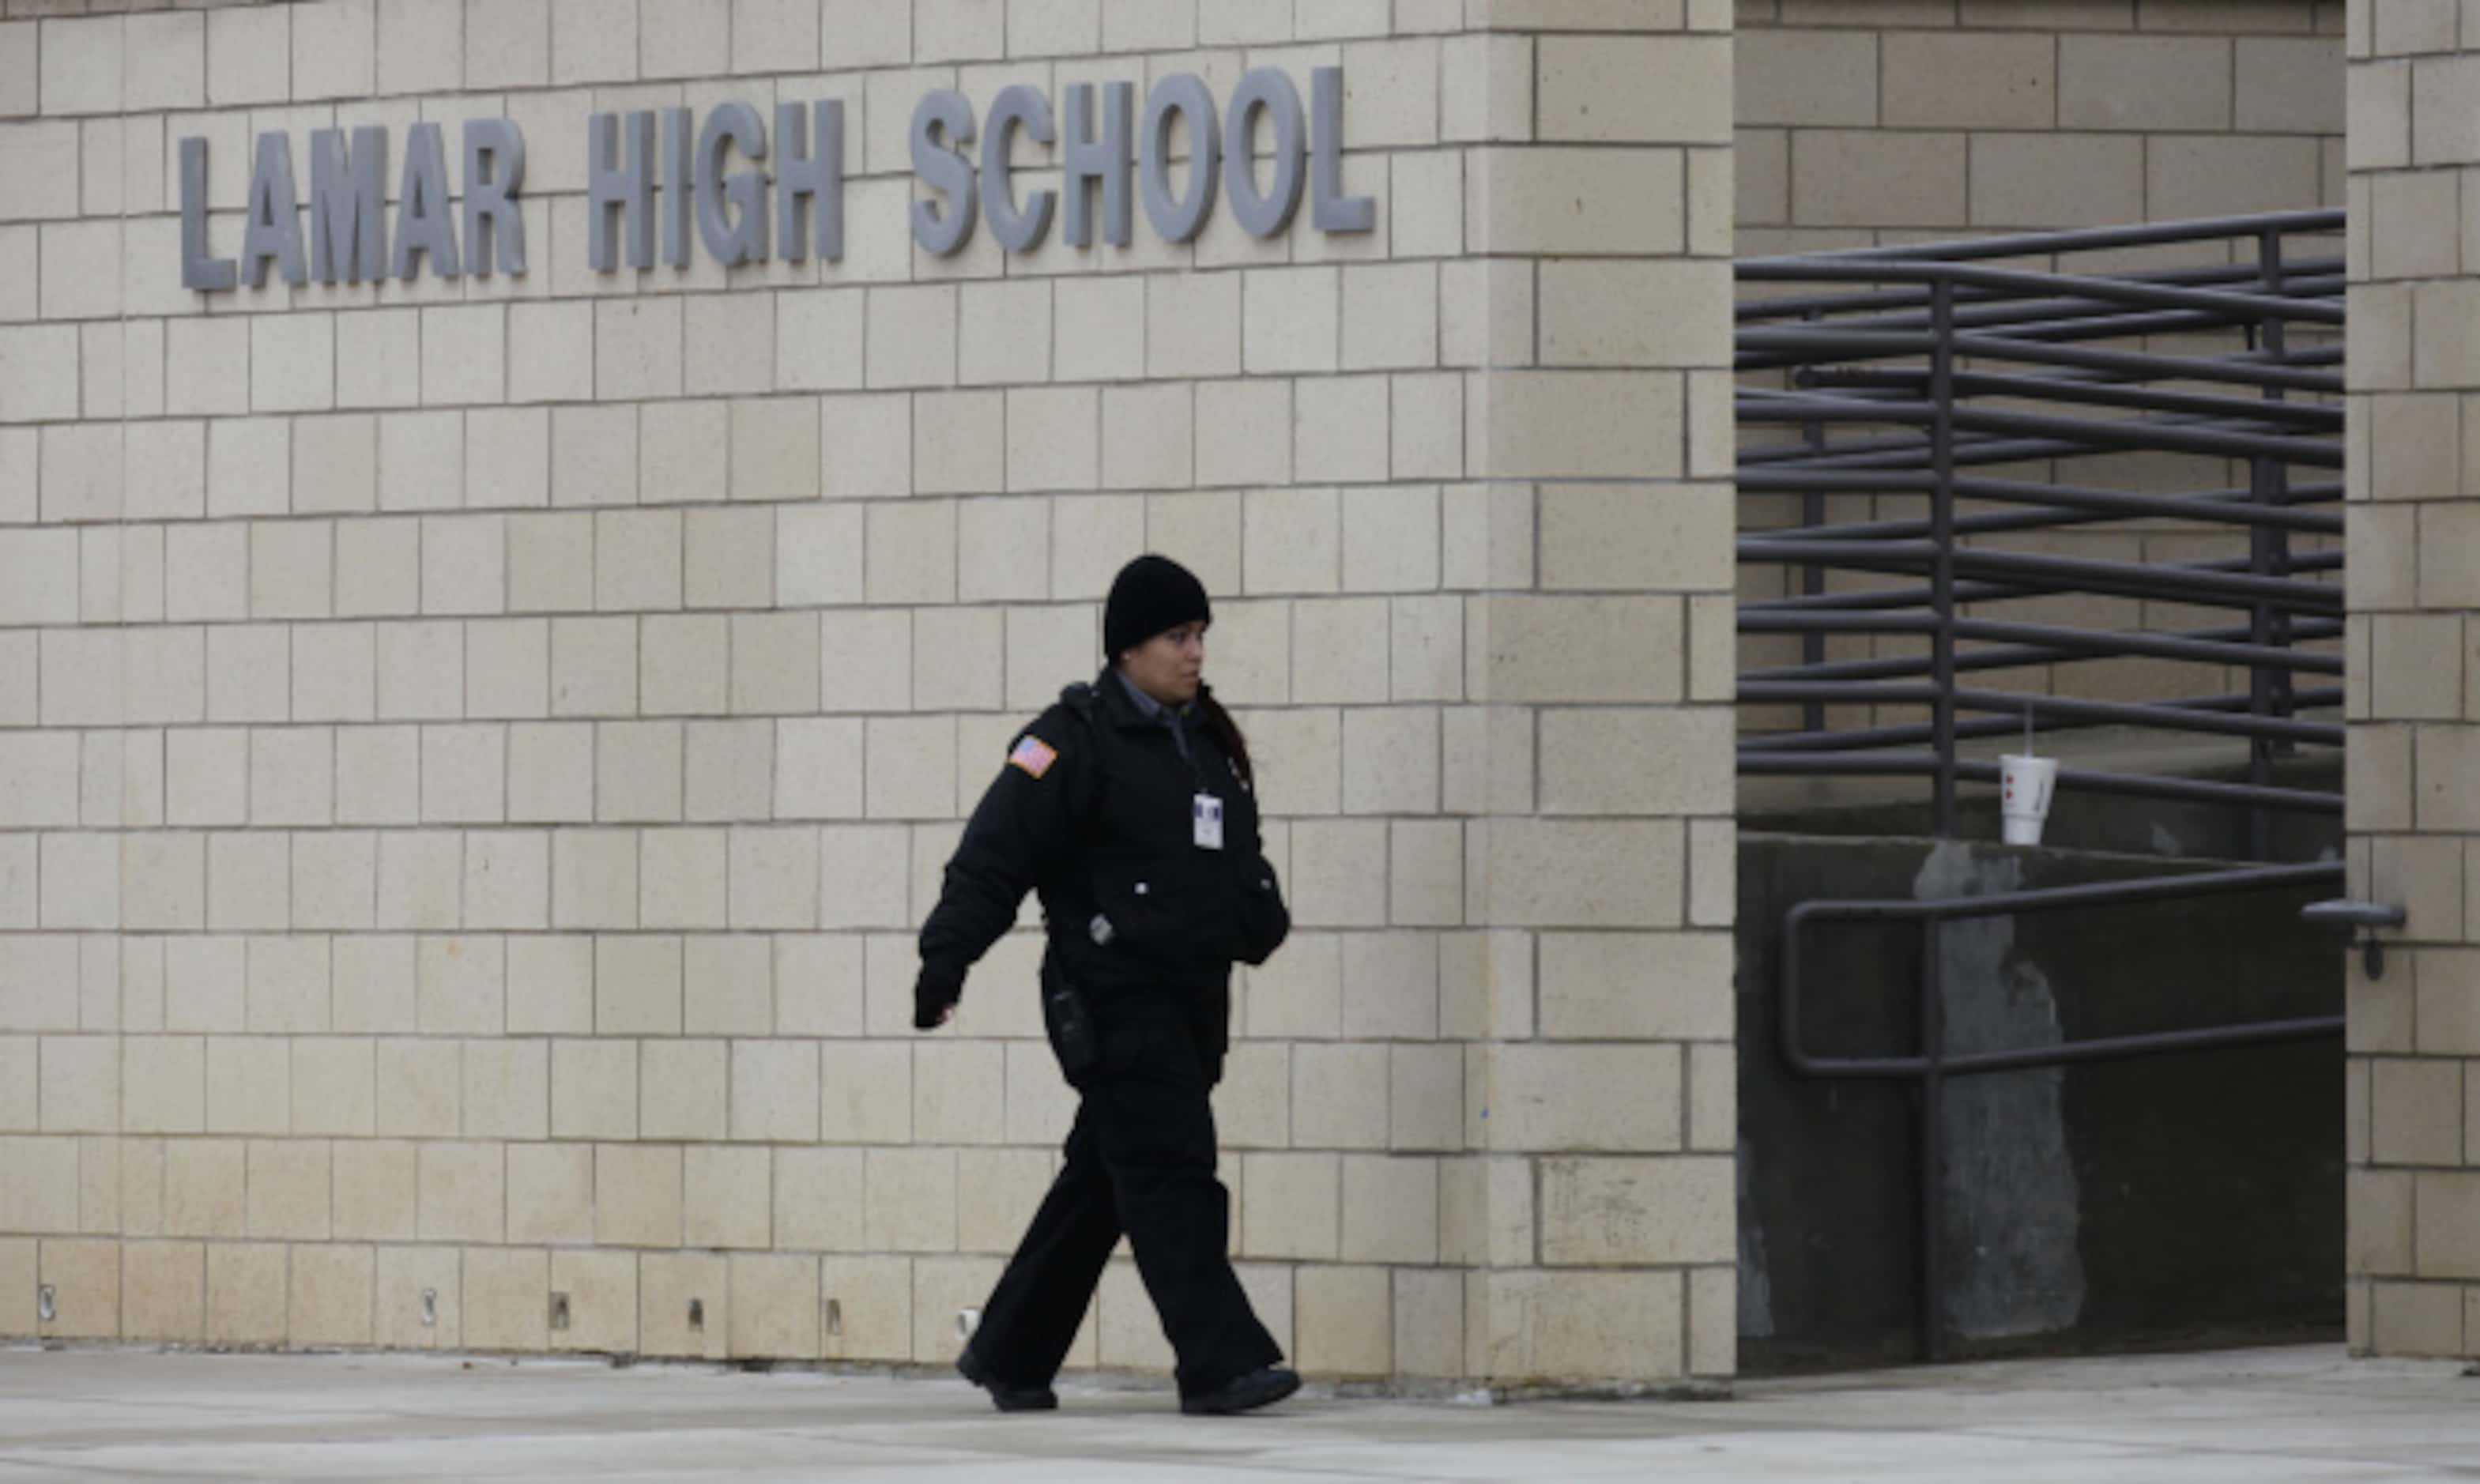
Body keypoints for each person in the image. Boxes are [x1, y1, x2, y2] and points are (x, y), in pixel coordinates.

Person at [914, 553, 1301, 1417]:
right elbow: (994, 855)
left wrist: (1259, 918)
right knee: (1172, 1172)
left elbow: (1236, 863)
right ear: (1128, 649)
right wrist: (947, 960)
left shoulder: (1206, 744)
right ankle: (1220, 1362)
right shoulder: (1073, 741)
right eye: (1178, 636)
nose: (1196, 653)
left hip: (1190, 1007)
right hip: (1109, 1001)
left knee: (1103, 1182)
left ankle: (1010, 1350)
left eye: (1202, 635)